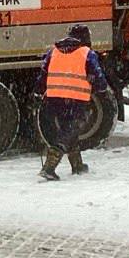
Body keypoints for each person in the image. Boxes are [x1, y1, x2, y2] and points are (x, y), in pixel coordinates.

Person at [33, 24, 109, 180]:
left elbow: (43, 74)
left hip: (54, 99)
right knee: (69, 130)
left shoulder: (53, 52)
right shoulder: (86, 53)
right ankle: (49, 167)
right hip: (77, 98)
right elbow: (98, 76)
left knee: (69, 129)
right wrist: (100, 88)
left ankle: (77, 165)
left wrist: (38, 92)